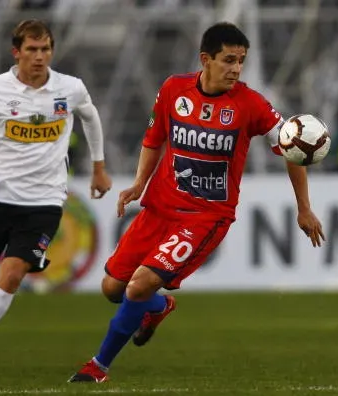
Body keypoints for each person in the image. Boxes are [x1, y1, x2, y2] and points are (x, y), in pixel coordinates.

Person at [69, 22, 324, 383]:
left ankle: (98, 366)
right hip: (160, 207)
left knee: (138, 286)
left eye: (241, 61)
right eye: (229, 60)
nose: (236, 68)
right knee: (113, 289)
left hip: (205, 217)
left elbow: (290, 148)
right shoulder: (174, 89)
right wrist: (139, 183)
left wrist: (304, 207)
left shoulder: (251, 104)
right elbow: (154, 137)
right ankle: (158, 308)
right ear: (205, 59)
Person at [0, 19, 112, 373]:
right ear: (16, 52)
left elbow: (91, 118)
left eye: (45, 49)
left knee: (13, 273)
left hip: (44, 203)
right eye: (31, 50)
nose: (39, 57)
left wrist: (98, 167)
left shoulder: (70, 88)